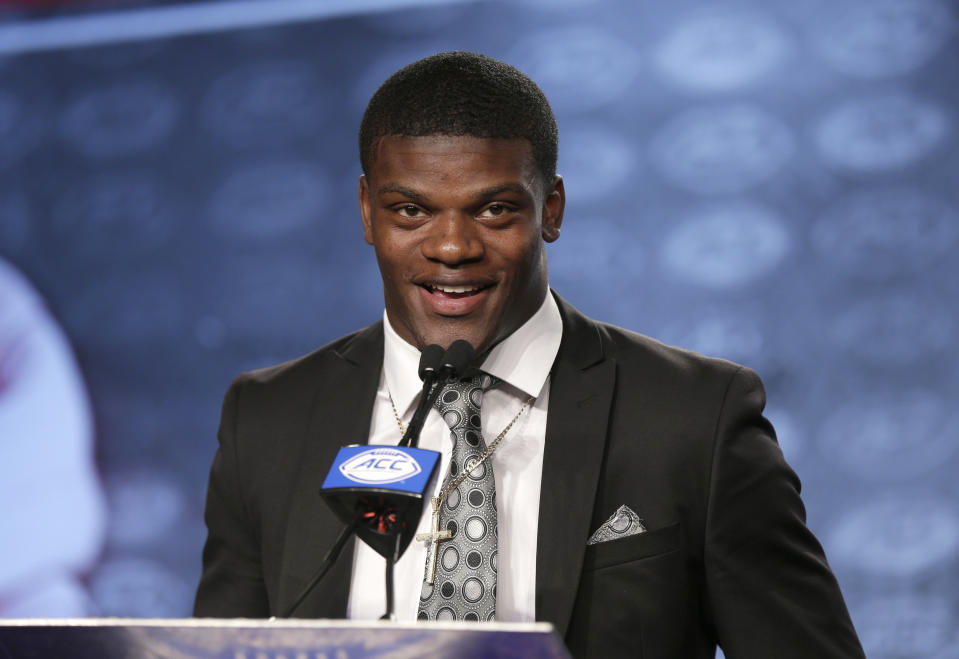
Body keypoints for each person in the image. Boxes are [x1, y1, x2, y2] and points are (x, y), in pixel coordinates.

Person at [195, 51, 865, 658]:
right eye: (410, 211)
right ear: (368, 212)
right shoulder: (268, 419)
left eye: (492, 210)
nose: (451, 246)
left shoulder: (694, 418)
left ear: (551, 208)